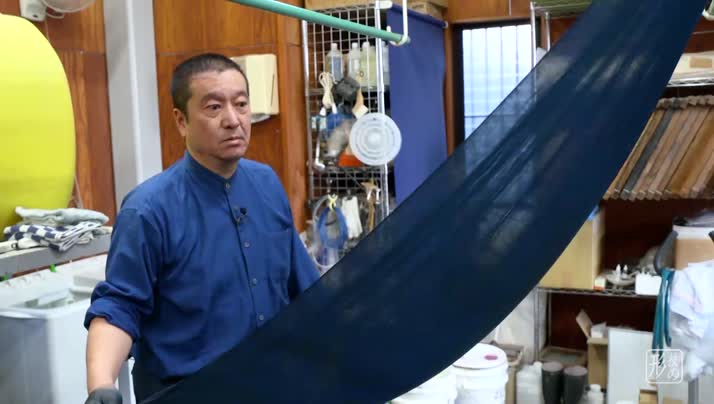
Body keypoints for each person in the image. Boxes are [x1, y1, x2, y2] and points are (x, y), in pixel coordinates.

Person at [83, 53, 320, 404]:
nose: (233, 120)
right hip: (187, 392)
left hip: (273, 384)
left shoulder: (266, 184)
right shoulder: (148, 210)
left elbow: (306, 286)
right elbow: (120, 305)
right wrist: (102, 384)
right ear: (182, 121)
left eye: (241, 104)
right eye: (214, 107)